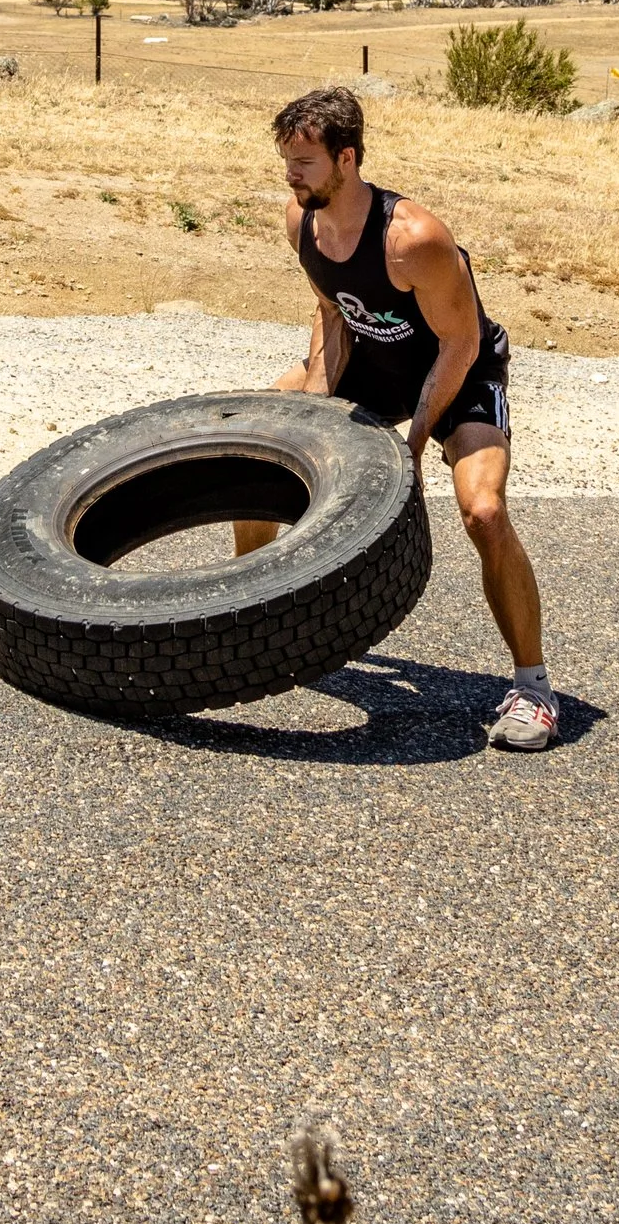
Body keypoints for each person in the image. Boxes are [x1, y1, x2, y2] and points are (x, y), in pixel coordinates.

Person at [236, 82, 556, 750]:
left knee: (484, 511)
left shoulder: (414, 239)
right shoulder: (302, 220)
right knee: (257, 445)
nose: (290, 176)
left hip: (456, 374)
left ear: (347, 158)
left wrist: (408, 448)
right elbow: (332, 314)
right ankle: (250, 613)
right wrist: (314, 413)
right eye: (286, 162)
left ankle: (533, 687)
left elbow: (461, 343)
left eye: (304, 163)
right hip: (371, 366)